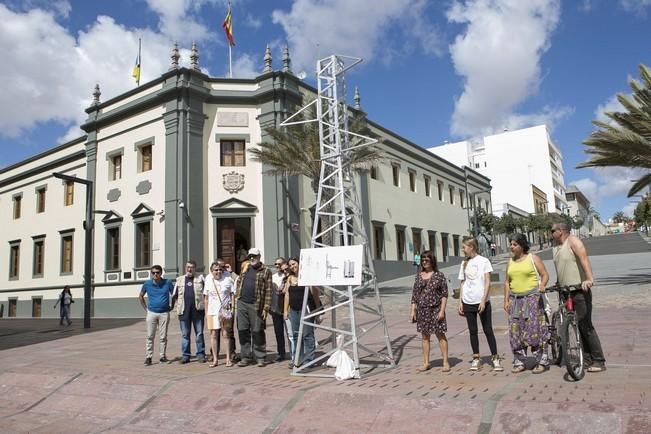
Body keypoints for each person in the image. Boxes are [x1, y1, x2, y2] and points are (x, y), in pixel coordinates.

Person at [551, 222, 606, 372]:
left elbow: (584, 259)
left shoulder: (573, 241)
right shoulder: (555, 247)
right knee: (575, 325)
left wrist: (589, 279)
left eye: (552, 231)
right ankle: (587, 360)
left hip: (579, 290)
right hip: (565, 291)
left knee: (585, 324)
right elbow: (562, 267)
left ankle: (599, 360)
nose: (550, 234)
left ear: (561, 231)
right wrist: (558, 282)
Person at [503, 233, 549, 374]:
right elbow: (507, 282)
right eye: (511, 244)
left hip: (532, 299)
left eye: (515, 244)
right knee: (515, 332)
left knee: (534, 330)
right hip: (515, 300)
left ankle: (541, 360)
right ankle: (520, 361)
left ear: (522, 245)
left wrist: (542, 285)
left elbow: (545, 274)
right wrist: (506, 300)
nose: (512, 246)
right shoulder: (510, 262)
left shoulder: (533, 258)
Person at [457, 238, 503, 371]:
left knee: (488, 329)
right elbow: (462, 283)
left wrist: (483, 300)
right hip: (468, 301)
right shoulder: (464, 263)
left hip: (482, 301)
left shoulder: (484, 261)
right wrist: (460, 301)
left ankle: (495, 356)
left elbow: (488, 282)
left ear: (472, 247)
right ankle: (476, 358)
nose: (463, 249)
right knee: (473, 331)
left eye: (464, 247)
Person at [409, 250, 449, 372]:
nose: (424, 262)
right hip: (422, 311)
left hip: (436, 309)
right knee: (425, 336)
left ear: (432, 261)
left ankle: (445, 362)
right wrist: (413, 310)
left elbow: (444, 294)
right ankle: (426, 362)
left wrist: (442, 311)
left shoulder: (439, 275)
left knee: (440, 335)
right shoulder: (419, 276)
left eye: (427, 260)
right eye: (423, 260)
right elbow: (415, 295)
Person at [235, 247, 272, 367]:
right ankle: (245, 356)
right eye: (250, 256)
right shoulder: (246, 268)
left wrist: (266, 308)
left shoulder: (266, 271)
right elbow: (239, 282)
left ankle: (260, 356)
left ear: (259, 257)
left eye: (254, 256)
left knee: (258, 331)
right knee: (243, 330)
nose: (252, 258)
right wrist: (237, 298)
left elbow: (268, 290)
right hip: (242, 303)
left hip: (256, 305)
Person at [283, 257, 321, 368]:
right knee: (295, 335)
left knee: (307, 335)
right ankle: (298, 359)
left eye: (294, 264)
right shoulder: (290, 278)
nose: (292, 267)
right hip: (294, 310)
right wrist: (285, 310)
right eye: (290, 265)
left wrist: (317, 312)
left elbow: (315, 294)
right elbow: (287, 295)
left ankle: (309, 360)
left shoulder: (307, 277)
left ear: (299, 264)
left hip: (306, 310)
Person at [172, 260, 206, 364]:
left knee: (199, 334)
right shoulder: (180, 280)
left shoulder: (201, 279)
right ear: (185, 268)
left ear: (195, 268)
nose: (189, 269)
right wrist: (172, 308)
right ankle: (185, 355)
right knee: (185, 334)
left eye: (192, 267)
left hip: (198, 311)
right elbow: (174, 296)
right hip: (184, 312)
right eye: (188, 267)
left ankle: (200, 354)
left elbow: (206, 294)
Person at [138, 265, 174, 366]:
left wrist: (172, 305)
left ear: (161, 273)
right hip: (152, 312)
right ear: (151, 273)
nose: (155, 274)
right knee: (150, 335)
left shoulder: (168, 283)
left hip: (164, 312)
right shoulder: (147, 284)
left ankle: (162, 356)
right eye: (153, 273)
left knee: (163, 336)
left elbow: (174, 294)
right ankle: (148, 357)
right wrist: (146, 309)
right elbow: (140, 296)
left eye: (157, 272)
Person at [204, 262, 235, 367]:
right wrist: (206, 312)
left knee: (226, 334)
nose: (218, 272)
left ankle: (228, 359)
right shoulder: (208, 281)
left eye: (220, 270)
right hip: (212, 312)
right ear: (211, 271)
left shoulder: (228, 280)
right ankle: (215, 359)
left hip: (225, 312)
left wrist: (233, 309)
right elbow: (206, 298)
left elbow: (232, 295)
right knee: (213, 335)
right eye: (215, 270)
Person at [270, 257, 288, 362]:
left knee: (290, 332)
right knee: (278, 332)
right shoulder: (273, 277)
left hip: (287, 307)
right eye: (275, 264)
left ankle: (294, 352)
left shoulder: (288, 276)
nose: (277, 266)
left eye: (279, 264)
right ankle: (281, 353)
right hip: (276, 308)